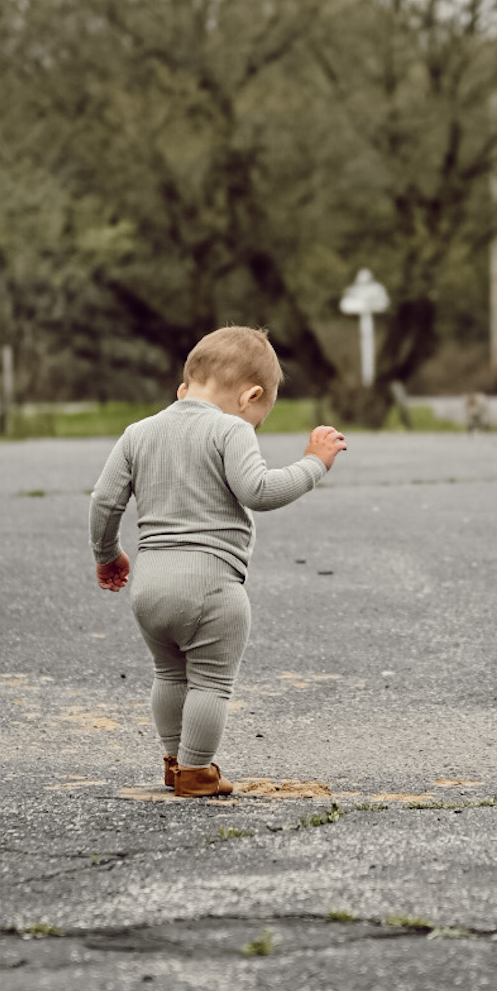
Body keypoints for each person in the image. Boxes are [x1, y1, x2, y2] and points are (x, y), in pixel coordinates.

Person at [88, 326, 346, 797]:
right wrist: (314, 464)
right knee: (209, 682)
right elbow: (259, 490)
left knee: (169, 674)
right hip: (209, 586)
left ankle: (173, 762)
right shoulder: (232, 428)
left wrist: (108, 556)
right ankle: (196, 771)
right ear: (251, 396)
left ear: (184, 388)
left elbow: (105, 501)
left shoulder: (138, 432)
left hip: (149, 586)